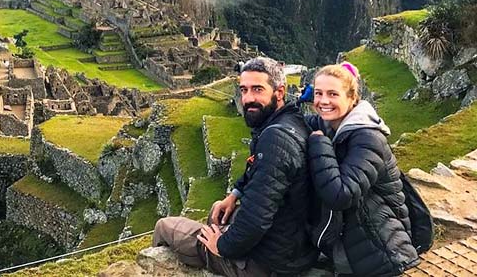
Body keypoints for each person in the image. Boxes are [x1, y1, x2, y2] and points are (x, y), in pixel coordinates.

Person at [152, 57, 317, 276]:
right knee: (216, 212)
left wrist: (221, 246)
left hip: (268, 263)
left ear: (279, 92)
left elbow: (256, 219)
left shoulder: (275, 140)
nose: (248, 98)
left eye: (257, 89)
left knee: (164, 227)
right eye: (244, 90)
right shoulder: (292, 121)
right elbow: (261, 173)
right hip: (294, 243)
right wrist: (235, 194)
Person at [306, 63, 419, 276]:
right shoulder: (332, 126)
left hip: (381, 249)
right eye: (318, 93)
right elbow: (296, 121)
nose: (323, 101)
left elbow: (341, 195)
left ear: (351, 98)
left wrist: (319, 145)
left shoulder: (368, 138)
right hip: (356, 243)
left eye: (333, 94)